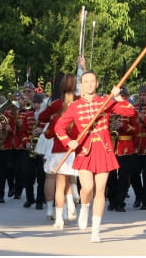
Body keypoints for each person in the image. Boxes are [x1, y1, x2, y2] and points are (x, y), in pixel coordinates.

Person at [54, 71, 133, 243]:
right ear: (81, 85)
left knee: (101, 190)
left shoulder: (105, 101)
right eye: (86, 81)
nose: (89, 84)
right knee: (87, 188)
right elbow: (59, 127)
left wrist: (118, 98)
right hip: (84, 151)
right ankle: (84, 207)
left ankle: (95, 230)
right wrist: (69, 142)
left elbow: (130, 113)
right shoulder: (74, 106)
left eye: (92, 81)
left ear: (96, 84)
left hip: (103, 149)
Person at [43, 73, 80, 228]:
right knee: (71, 179)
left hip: (59, 149)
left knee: (57, 182)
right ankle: (72, 202)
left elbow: (46, 128)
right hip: (75, 149)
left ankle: (57, 216)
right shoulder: (79, 103)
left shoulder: (57, 107)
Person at [105, 86, 140, 213]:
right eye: (120, 96)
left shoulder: (132, 111)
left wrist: (123, 125)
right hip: (110, 145)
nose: (121, 98)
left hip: (126, 146)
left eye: (124, 96)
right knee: (111, 176)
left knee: (124, 177)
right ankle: (112, 200)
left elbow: (137, 130)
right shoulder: (109, 109)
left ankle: (120, 202)